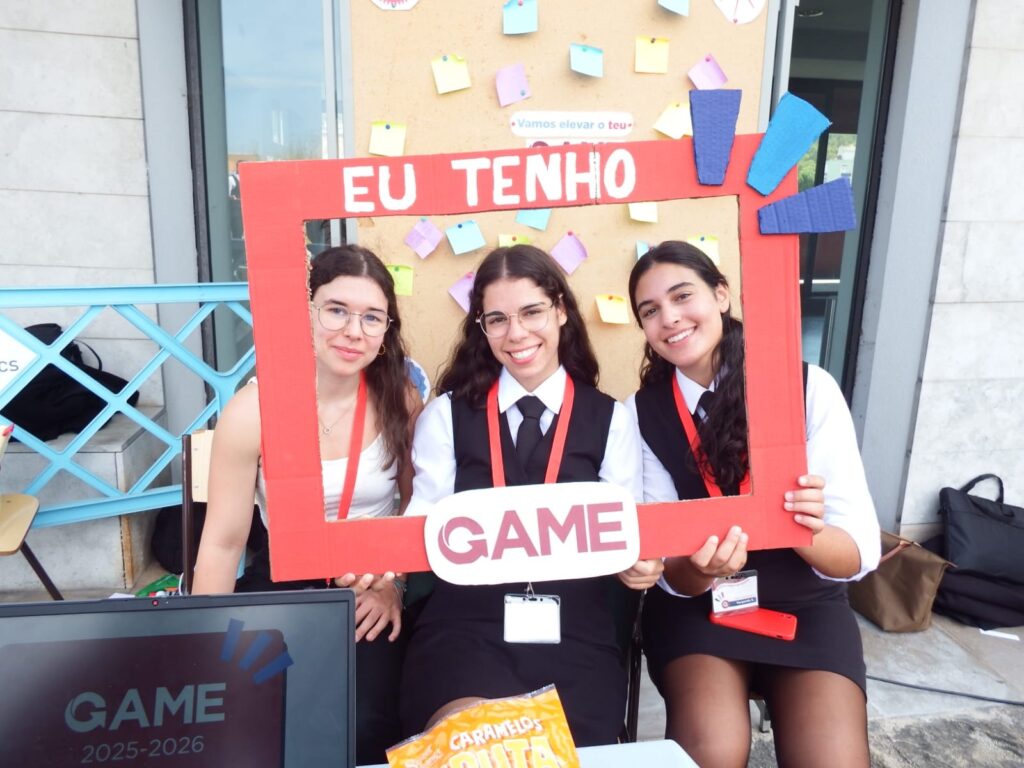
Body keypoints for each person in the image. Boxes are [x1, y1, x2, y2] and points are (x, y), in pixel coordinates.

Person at [625, 241, 880, 768]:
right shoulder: (640, 413)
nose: (669, 318)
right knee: (713, 752)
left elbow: (857, 553)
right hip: (699, 610)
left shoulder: (805, 388)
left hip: (805, 604)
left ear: (721, 295)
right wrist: (700, 569)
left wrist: (802, 528)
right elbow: (670, 573)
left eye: (682, 296)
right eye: (650, 311)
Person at [400, 244, 663, 747]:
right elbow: (421, 523)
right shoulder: (446, 415)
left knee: (563, 750)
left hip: (575, 631)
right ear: (481, 328)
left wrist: (641, 564)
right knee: (471, 743)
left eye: (531, 312)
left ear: (561, 310)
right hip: (467, 628)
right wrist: (380, 576)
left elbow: (627, 531)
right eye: (496, 319)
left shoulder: (610, 418)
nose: (516, 333)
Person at [191, 244, 421, 764]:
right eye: (336, 310)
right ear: (306, 314)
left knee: (367, 722)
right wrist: (205, 644)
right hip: (282, 581)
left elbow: (415, 509)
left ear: (386, 332)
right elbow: (223, 542)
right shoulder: (254, 410)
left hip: (368, 586)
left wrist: (394, 586)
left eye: (372, 317)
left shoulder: (401, 400)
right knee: (262, 712)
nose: (353, 331)